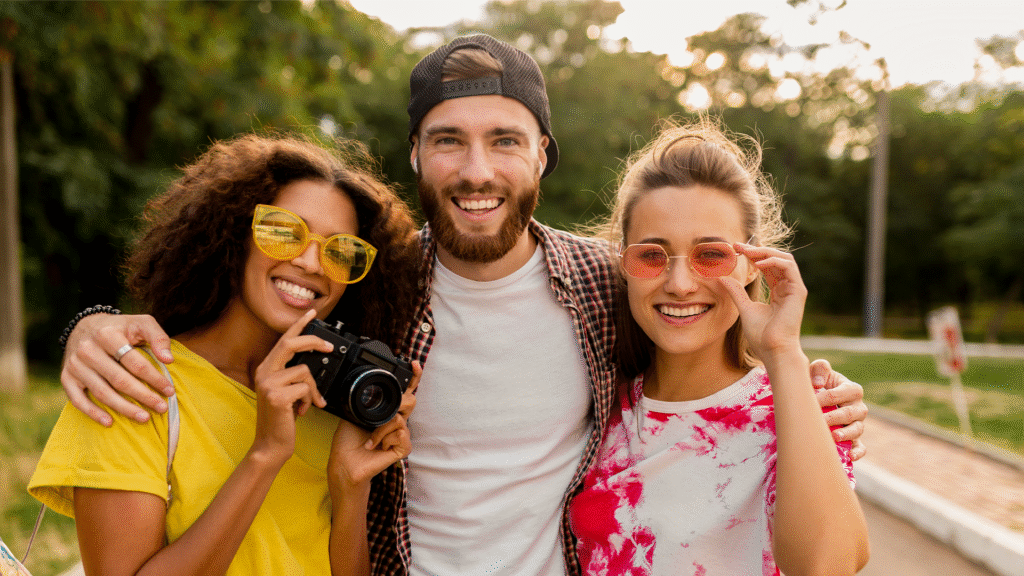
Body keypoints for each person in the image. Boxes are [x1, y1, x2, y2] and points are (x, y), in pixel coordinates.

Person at [55, 36, 868, 576]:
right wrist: (92, 325)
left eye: (505, 140)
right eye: (448, 140)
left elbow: (692, 317)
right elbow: (241, 316)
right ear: (417, 153)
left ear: (543, 155)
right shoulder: (368, 285)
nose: (477, 169)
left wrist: (797, 378)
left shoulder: (603, 283)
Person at [29, 134, 422, 576]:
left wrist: (350, 489)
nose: (312, 263)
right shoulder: (133, 383)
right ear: (234, 231)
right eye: (283, 232)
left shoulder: (327, 408)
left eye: (341, 252)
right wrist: (266, 454)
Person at [568, 119, 870, 575]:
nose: (680, 284)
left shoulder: (794, 412)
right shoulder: (598, 398)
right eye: (652, 255)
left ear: (752, 265)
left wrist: (783, 352)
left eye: (710, 255)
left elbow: (827, 567)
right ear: (625, 263)